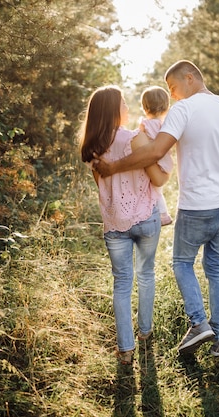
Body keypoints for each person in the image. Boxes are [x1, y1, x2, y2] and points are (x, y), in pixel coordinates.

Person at [93, 60, 219, 358]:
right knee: (215, 268)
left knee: (182, 264)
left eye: (173, 87)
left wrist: (112, 168)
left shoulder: (184, 109)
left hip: (199, 205)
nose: (172, 95)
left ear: (189, 78)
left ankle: (199, 323)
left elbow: (155, 151)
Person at [78, 85, 170, 365]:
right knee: (146, 274)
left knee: (121, 284)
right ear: (113, 110)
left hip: (115, 224)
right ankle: (145, 331)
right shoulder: (135, 139)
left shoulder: (92, 148)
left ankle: (125, 349)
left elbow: (103, 188)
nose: (128, 108)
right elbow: (159, 180)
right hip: (145, 218)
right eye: (123, 104)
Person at [138, 86, 174, 226]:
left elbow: (136, 139)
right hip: (165, 162)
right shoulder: (167, 124)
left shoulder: (144, 124)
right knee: (157, 190)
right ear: (167, 106)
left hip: (153, 161)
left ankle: (162, 214)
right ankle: (159, 213)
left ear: (144, 107)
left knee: (152, 190)